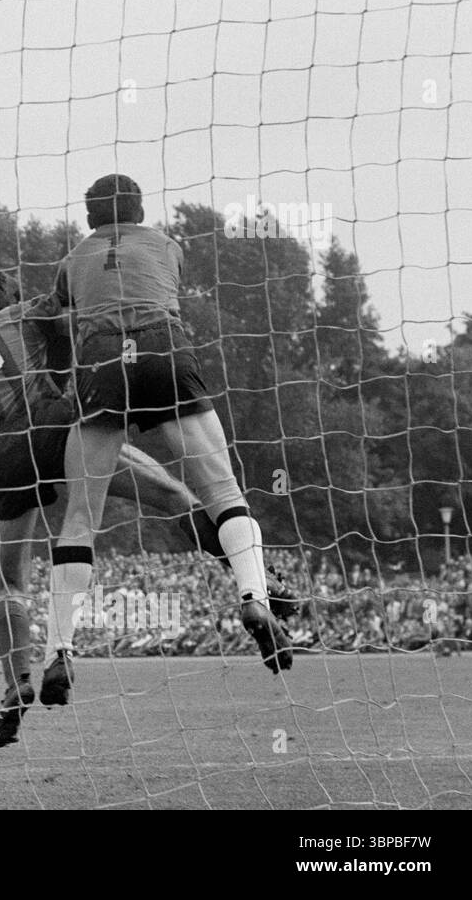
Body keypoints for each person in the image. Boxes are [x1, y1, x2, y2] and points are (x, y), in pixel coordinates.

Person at [0, 269, 296, 747]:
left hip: (2, 454)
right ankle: (256, 581)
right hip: (54, 424)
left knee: (10, 582)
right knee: (168, 493)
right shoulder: (26, 313)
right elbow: (81, 316)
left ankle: (17, 681)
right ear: (10, 298)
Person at [49, 173, 292, 693]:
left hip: (101, 364)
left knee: (80, 517)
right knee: (223, 491)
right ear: (139, 212)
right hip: (165, 350)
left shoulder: (71, 260)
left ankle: (59, 649)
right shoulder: (167, 245)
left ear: (89, 217)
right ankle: (254, 597)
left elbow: (61, 310)